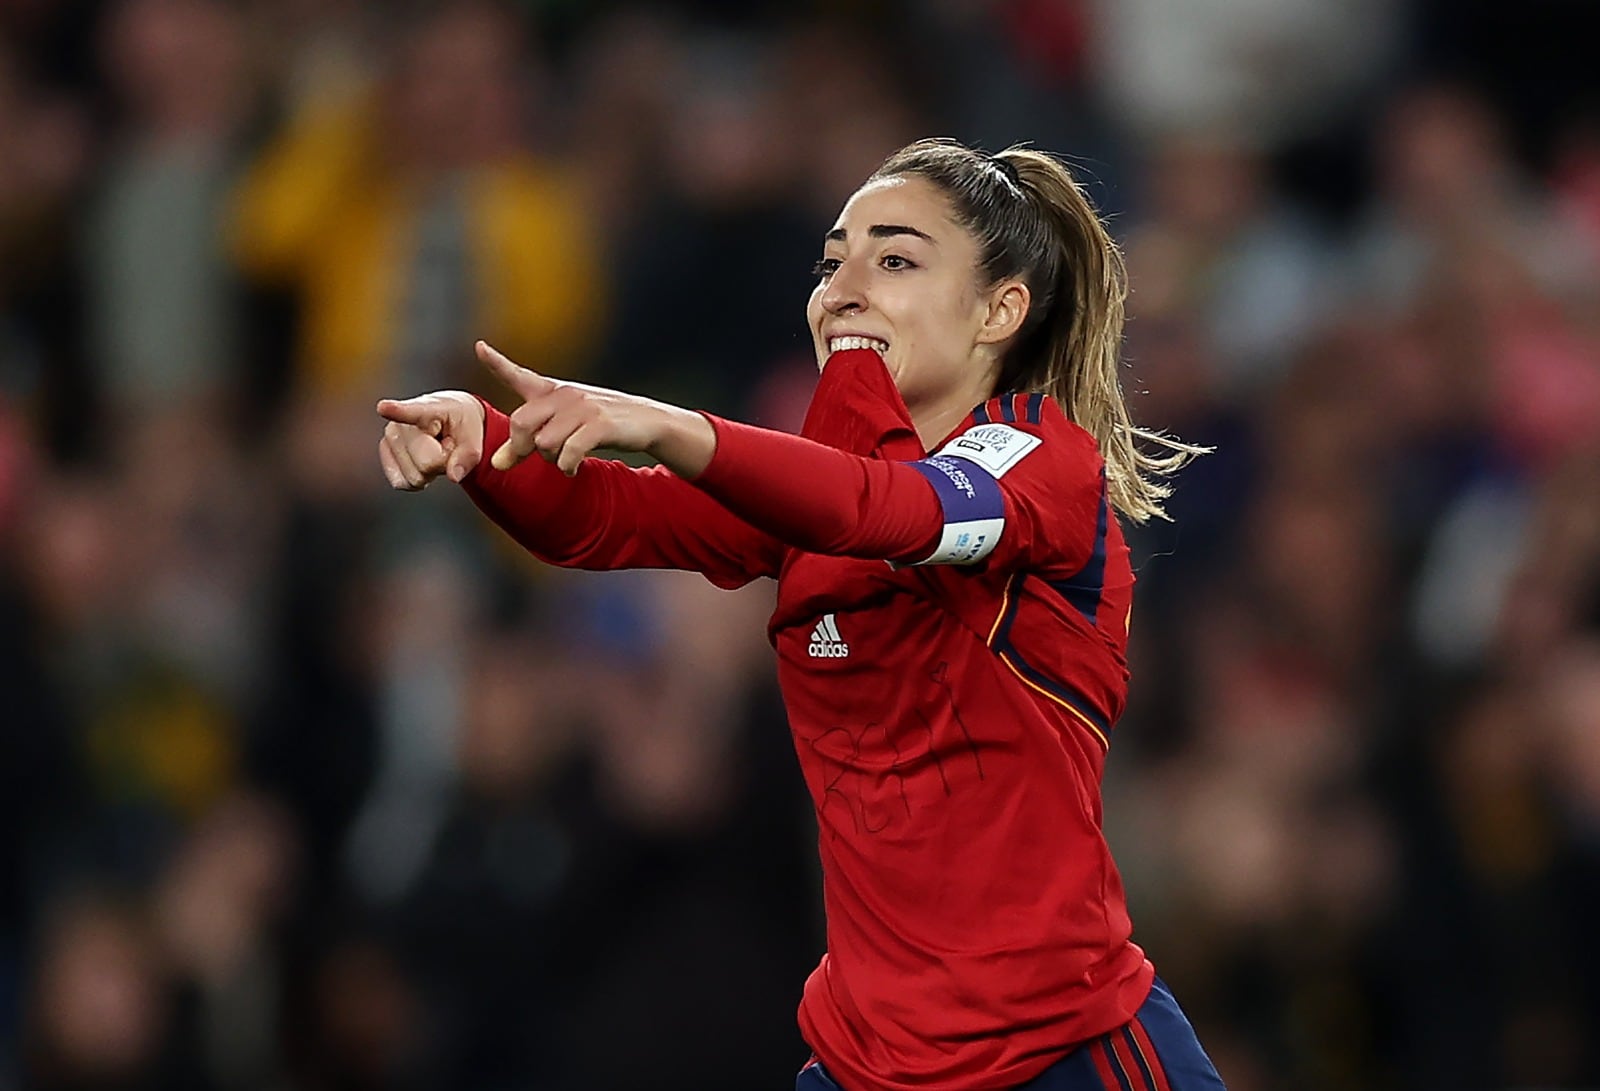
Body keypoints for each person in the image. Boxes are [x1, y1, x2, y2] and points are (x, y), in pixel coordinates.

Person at [375, 138, 1226, 1091]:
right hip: (867, 1063)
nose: (842, 288)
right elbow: (604, 519)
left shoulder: (1042, 460)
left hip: (1063, 1051)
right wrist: (485, 440)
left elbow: (887, 509)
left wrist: (675, 426)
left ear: (1002, 308)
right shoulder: (805, 497)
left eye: (894, 258)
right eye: (831, 262)